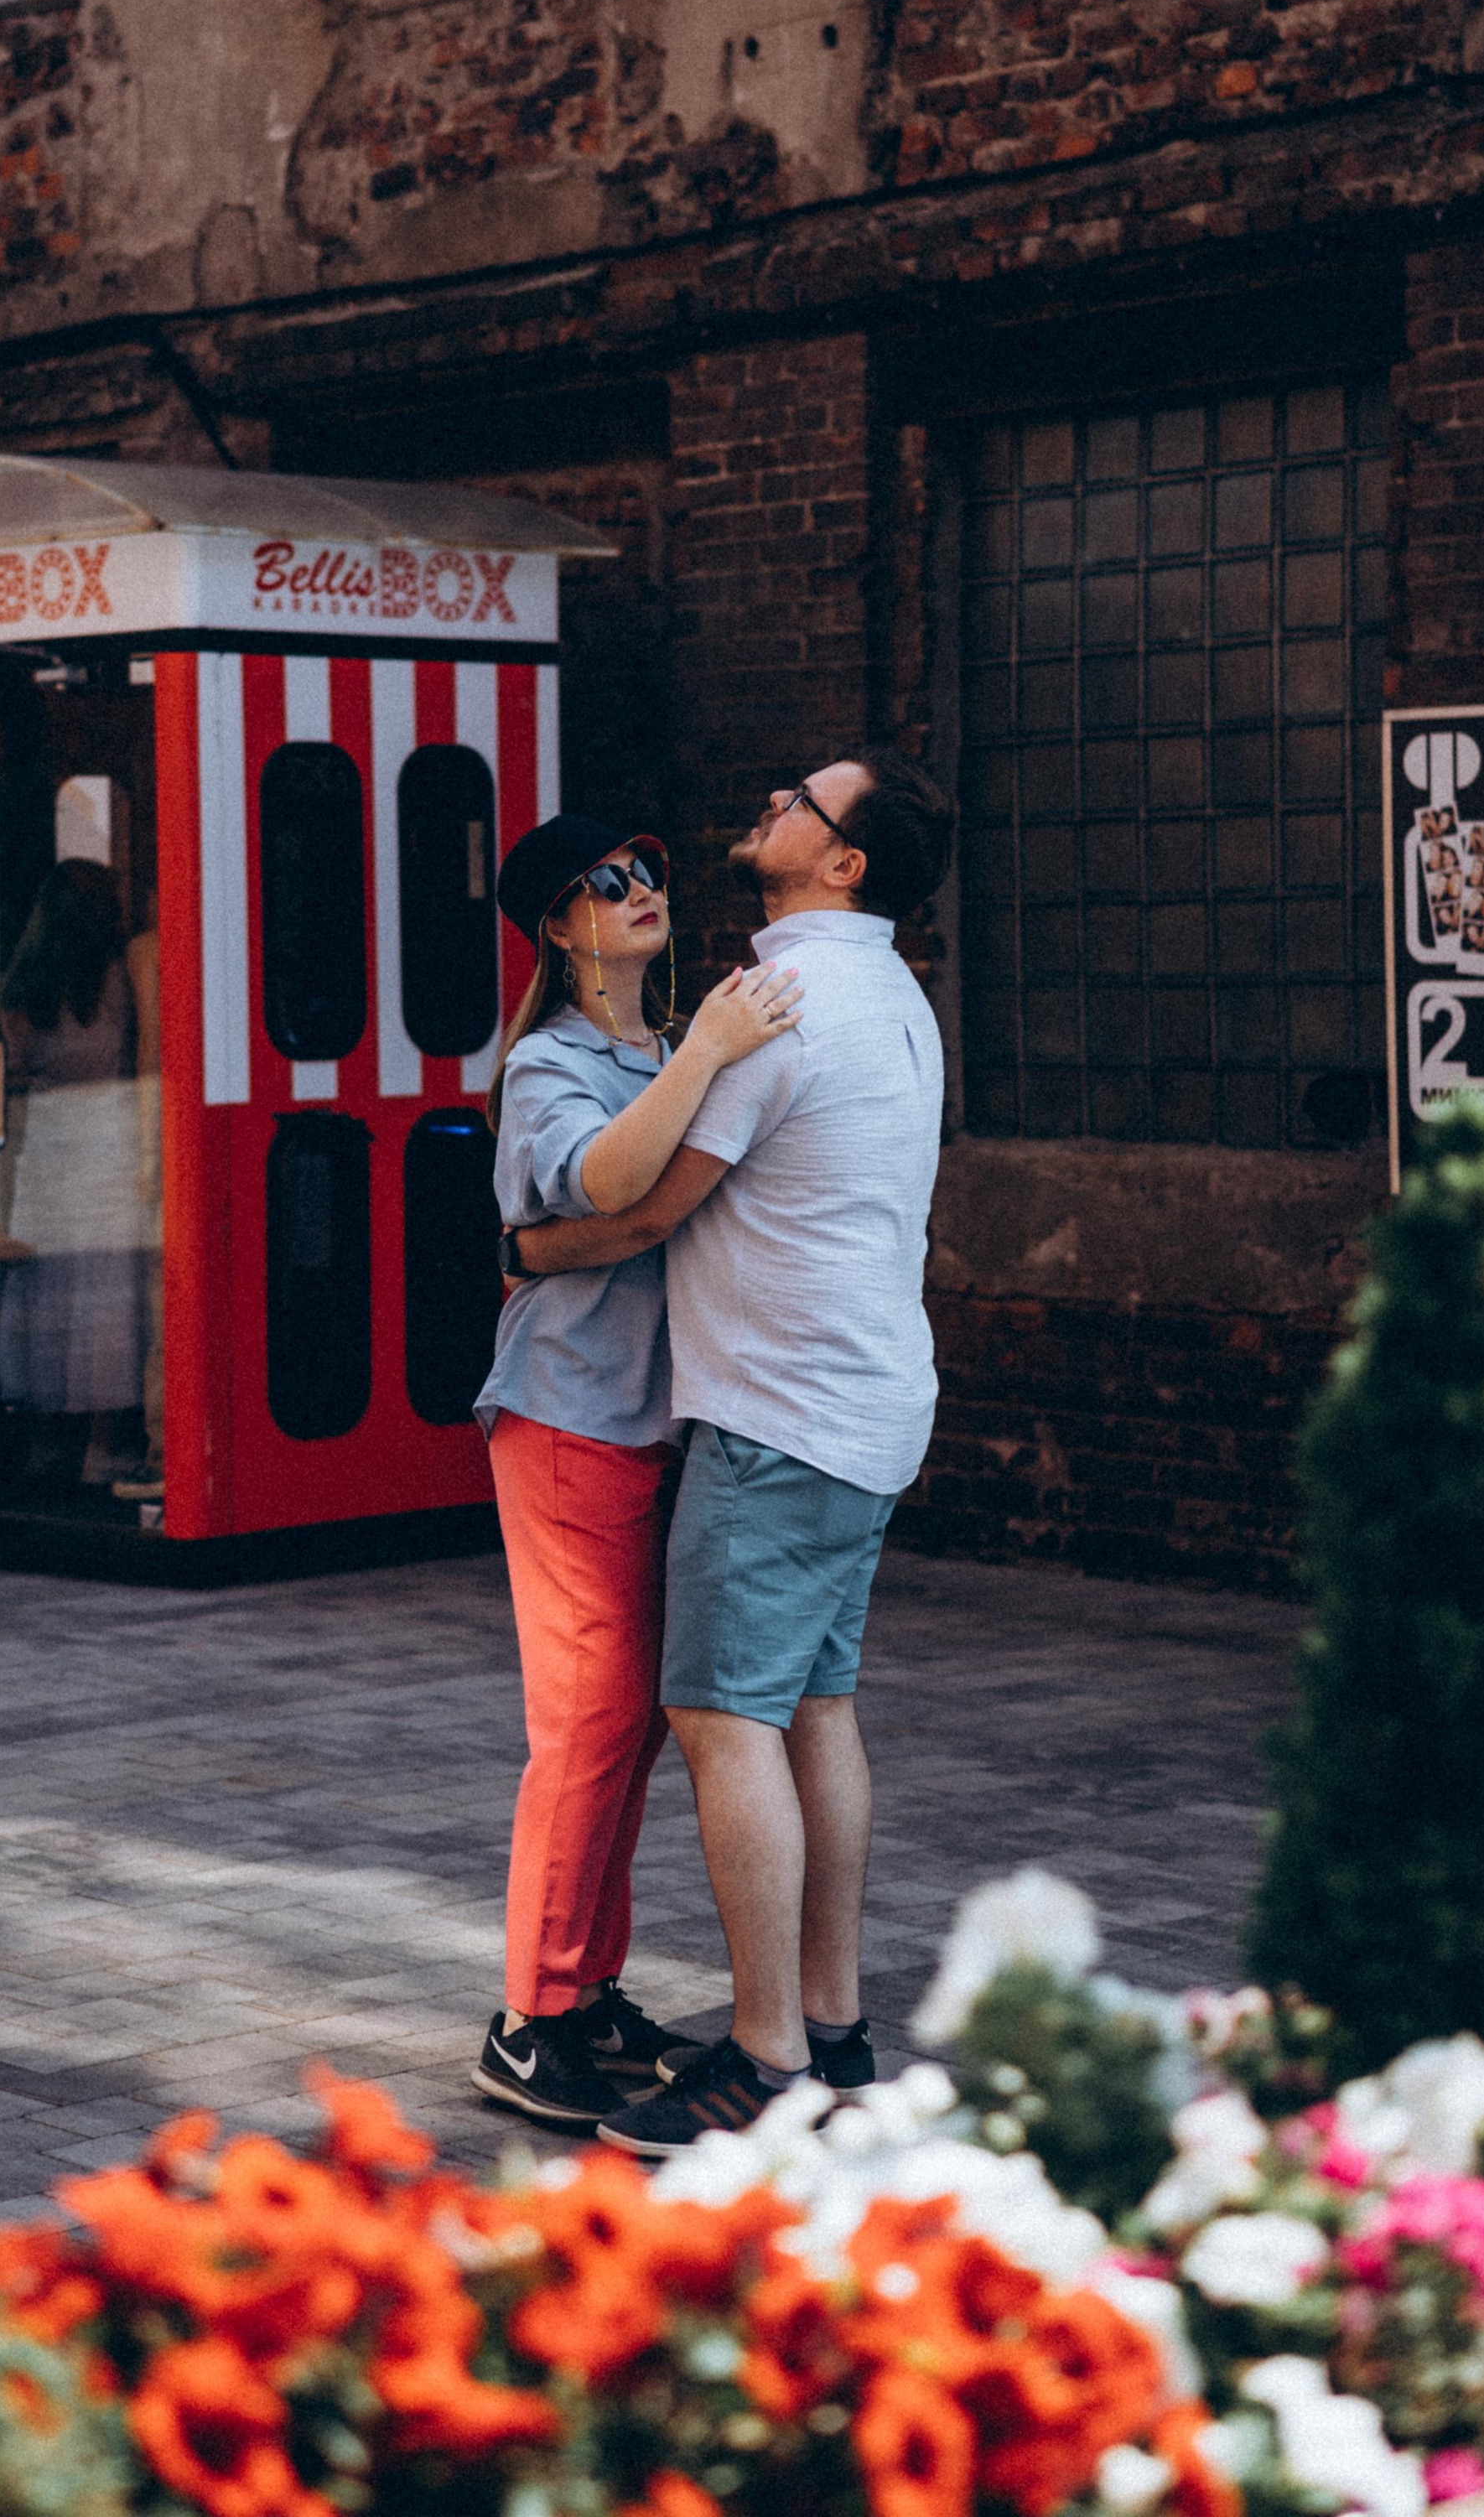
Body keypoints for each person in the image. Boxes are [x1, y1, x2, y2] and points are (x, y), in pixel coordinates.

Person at [505, 751, 954, 2154]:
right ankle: (828, 2030)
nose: (764, 801)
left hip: (777, 1416)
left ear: (844, 862)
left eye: (800, 802)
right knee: (811, 1707)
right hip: (863, 1405)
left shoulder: (776, 1008)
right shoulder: (894, 997)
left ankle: (764, 2061)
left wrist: (527, 1248)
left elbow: (645, 1212)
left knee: (719, 1718)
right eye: (607, 879)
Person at [472, 812, 802, 2131]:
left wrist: (695, 1052)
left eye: (651, 871)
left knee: (636, 1723)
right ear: (562, 928)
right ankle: (529, 2016)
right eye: (607, 884)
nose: (641, 891)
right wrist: (715, 1047)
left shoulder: (653, 1052)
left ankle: (585, 1987)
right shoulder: (555, 1063)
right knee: (591, 1720)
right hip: (568, 1417)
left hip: (655, 1423)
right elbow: (599, 1180)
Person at [0, 858, 155, 1487]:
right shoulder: (119, 976)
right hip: (110, 1134)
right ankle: (101, 1443)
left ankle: (43, 1439)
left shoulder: (24, 986)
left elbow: (17, 1063)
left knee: (49, 1288)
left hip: (50, 1139)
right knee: (106, 1295)